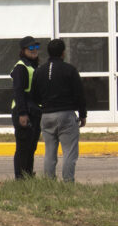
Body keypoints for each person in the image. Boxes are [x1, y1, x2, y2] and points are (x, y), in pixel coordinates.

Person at [32, 38, 88, 183]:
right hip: (66, 115)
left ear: (48, 52)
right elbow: (79, 94)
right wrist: (82, 114)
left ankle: (49, 182)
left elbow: (34, 96)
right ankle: (68, 182)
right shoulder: (69, 70)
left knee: (50, 152)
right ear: (63, 53)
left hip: (46, 116)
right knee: (69, 151)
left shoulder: (39, 71)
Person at [10, 36, 43, 179]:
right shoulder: (21, 67)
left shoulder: (32, 66)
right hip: (23, 111)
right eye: (31, 48)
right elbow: (18, 91)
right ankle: (20, 177)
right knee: (23, 147)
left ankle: (28, 175)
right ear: (23, 50)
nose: (34, 50)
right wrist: (22, 114)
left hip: (34, 110)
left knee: (31, 146)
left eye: (36, 47)